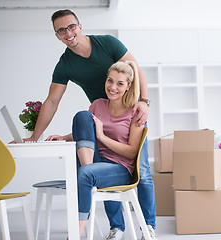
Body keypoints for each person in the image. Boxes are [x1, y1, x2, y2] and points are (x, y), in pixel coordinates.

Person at [25, 9, 156, 240]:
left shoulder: (107, 43)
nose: (68, 33)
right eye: (62, 30)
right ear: (57, 35)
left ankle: (149, 227)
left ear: (80, 26)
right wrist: (36, 136)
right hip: (102, 114)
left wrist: (144, 102)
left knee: (143, 171)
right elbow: (52, 101)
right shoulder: (65, 64)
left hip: (129, 114)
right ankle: (117, 226)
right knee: (94, 158)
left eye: (71, 26)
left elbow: (136, 70)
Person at [48, 61, 145, 239]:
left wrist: (102, 136)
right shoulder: (98, 105)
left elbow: (132, 152)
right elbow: (86, 131)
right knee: (82, 116)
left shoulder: (135, 112)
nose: (113, 87)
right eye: (110, 81)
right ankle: (89, 175)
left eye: (120, 83)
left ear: (128, 86)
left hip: (120, 168)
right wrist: (63, 137)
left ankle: (75, 234)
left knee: (84, 174)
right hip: (96, 161)